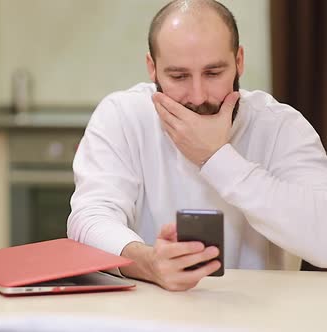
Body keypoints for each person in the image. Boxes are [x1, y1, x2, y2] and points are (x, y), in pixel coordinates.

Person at [67, 0, 327, 291]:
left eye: (213, 73)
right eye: (178, 76)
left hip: (263, 315)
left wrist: (216, 157)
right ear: (152, 68)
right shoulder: (122, 116)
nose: (198, 96)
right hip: (148, 311)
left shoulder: (282, 127)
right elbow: (88, 219)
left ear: (239, 61)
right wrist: (149, 263)